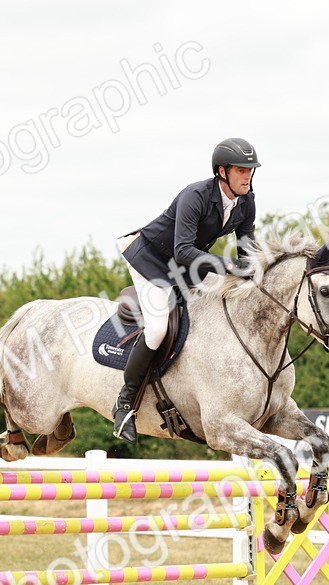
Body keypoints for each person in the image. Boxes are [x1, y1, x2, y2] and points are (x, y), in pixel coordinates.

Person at [112, 137, 261, 443]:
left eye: (250, 169)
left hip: (186, 268)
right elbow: (182, 250)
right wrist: (228, 266)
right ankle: (124, 404)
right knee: (156, 329)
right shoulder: (195, 195)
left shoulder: (246, 201)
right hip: (149, 257)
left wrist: (257, 275)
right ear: (222, 171)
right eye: (241, 169)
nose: (248, 175)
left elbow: (247, 252)